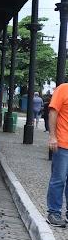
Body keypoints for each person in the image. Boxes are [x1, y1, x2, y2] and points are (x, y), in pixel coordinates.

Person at [47, 83, 68, 227]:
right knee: (59, 179)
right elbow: (53, 112)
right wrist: (52, 137)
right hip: (62, 143)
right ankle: (54, 213)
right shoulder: (63, 89)